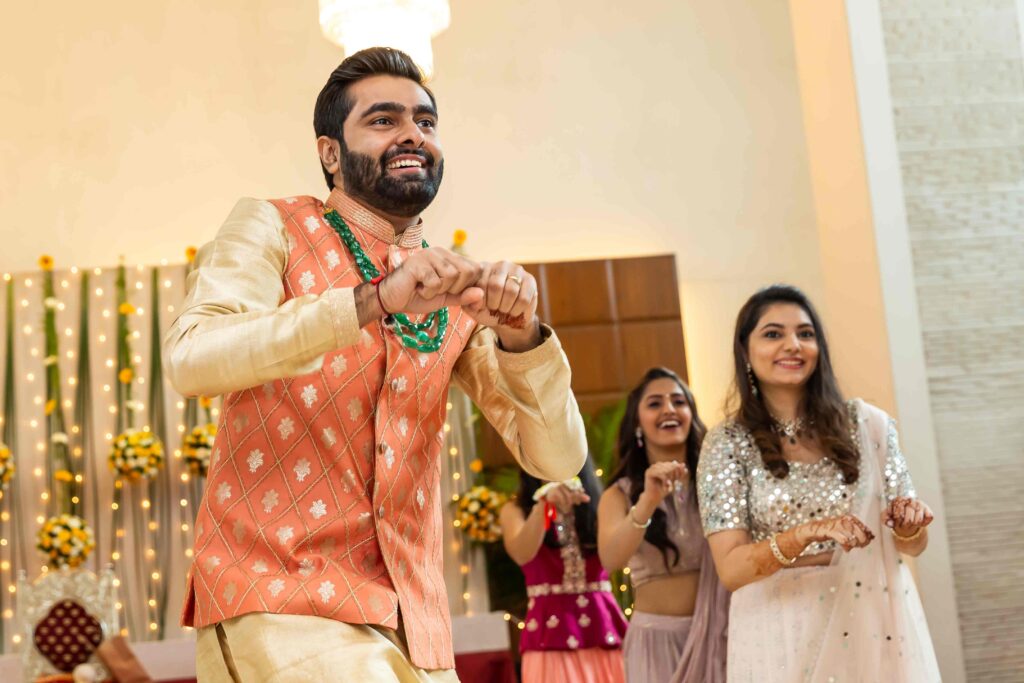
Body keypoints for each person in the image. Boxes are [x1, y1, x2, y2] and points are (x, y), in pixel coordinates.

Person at [163, 47, 587, 682]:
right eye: (384, 120)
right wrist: (372, 301)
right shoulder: (274, 226)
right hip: (279, 598)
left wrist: (523, 337)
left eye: (425, 120)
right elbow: (193, 356)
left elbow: (556, 460)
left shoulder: (452, 290)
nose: (413, 134)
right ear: (331, 152)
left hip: (413, 618)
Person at [697, 284, 940, 681]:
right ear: (745, 350)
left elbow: (909, 544)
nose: (792, 345)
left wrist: (911, 526)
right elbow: (731, 569)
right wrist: (805, 534)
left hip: (870, 622)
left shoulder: (868, 426)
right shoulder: (727, 442)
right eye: (773, 333)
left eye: (805, 334)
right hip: (778, 630)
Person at [597, 368, 729, 683]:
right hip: (655, 643)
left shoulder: (719, 484)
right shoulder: (620, 494)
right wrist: (648, 500)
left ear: (691, 416)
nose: (669, 409)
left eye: (679, 401)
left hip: (721, 635)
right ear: (637, 425)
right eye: (655, 403)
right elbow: (610, 559)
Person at [500, 460, 628, 683]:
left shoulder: (603, 503)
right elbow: (521, 553)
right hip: (548, 635)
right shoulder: (515, 510)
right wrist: (543, 506)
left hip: (604, 629)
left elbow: (619, 556)